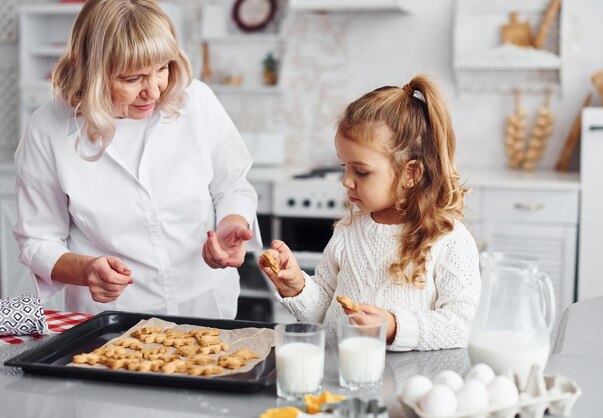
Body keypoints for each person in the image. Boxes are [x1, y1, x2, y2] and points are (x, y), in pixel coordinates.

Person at [13, 0, 260, 317]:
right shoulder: (48, 128)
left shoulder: (196, 101)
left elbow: (234, 186)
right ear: (92, 71)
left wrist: (232, 224)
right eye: (132, 79)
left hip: (205, 301)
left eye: (162, 68)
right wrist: (86, 270)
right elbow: (38, 239)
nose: (155, 91)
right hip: (112, 315)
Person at [259, 74, 481, 351]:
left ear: (410, 172)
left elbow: (462, 326)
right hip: (337, 379)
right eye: (344, 167)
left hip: (404, 383)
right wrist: (296, 287)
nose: (347, 181)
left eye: (361, 171)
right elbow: (325, 313)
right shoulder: (348, 232)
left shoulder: (449, 240)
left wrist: (393, 328)